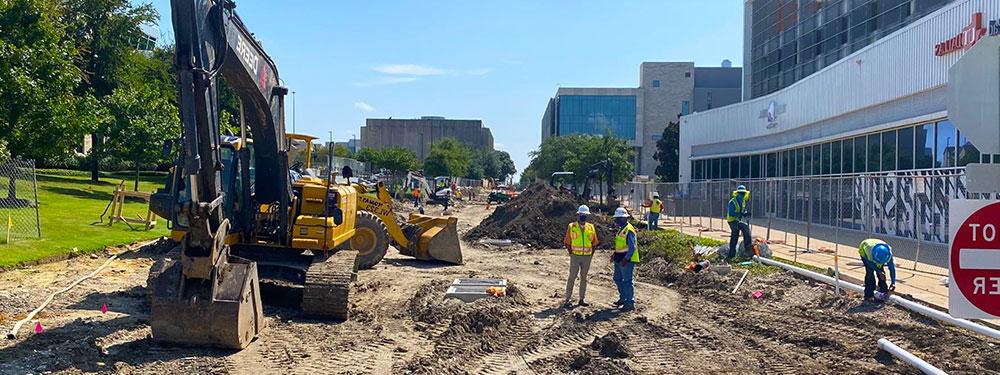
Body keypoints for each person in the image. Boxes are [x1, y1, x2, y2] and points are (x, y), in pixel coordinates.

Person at [563, 205, 598, 308]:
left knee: (584, 278)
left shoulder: (591, 227)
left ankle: (582, 299)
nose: (583, 217)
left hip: (587, 257)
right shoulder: (571, 226)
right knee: (572, 277)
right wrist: (572, 253)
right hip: (575, 256)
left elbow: (594, 243)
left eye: (585, 215)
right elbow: (567, 243)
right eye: (581, 215)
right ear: (578, 215)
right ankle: (568, 299)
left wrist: (591, 254)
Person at [611, 207, 638, 311]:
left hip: (627, 260)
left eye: (618, 218)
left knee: (627, 281)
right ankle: (623, 298)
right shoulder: (621, 229)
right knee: (617, 278)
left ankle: (629, 302)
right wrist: (614, 255)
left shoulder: (629, 230)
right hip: (619, 258)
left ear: (624, 218)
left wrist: (626, 259)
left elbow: (632, 247)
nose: (616, 220)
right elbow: (620, 245)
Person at [858, 239, 896, 303]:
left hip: (876, 251)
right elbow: (869, 263)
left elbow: (892, 268)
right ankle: (868, 295)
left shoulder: (888, 254)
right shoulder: (868, 251)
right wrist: (878, 271)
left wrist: (893, 283)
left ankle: (883, 292)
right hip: (865, 253)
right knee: (870, 273)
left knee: (882, 273)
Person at [725, 185, 752, 262]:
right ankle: (748, 248)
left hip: (737, 221)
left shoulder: (743, 201)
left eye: (743, 193)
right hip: (732, 221)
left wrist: (746, 213)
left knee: (735, 235)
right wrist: (741, 214)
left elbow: (743, 210)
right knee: (745, 227)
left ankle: (731, 254)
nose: (741, 195)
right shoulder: (732, 202)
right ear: (737, 193)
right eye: (740, 193)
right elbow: (731, 213)